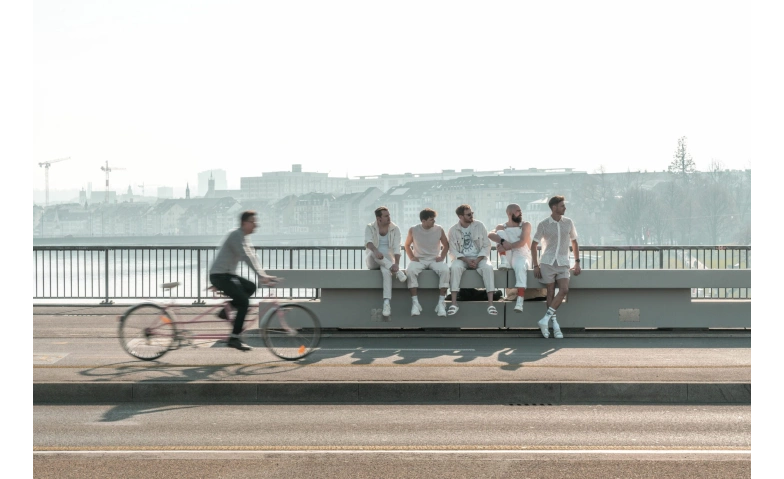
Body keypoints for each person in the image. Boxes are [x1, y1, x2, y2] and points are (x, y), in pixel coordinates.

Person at [209, 210, 278, 350]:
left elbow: (252, 256)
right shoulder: (236, 235)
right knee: (244, 302)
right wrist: (261, 275)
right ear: (244, 223)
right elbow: (245, 256)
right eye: (253, 222)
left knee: (251, 287)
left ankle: (226, 311)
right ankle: (234, 338)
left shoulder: (243, 236)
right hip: (220, 275)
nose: (256, 225)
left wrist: (263, 274)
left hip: (227, 275)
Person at [531, 196, 581, 339]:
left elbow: (575, 242)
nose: (564, 208)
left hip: (564, 262)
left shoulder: (569, 222)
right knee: (550, 292)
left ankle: (545, 320)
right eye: (562, 206)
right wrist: (536, 265)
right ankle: (554, 325)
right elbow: (533, 245)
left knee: (564, 289)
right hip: (547, 262)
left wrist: (577, 262)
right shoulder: (543, 224)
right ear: (554, 208)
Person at [447, 204, 498, 316]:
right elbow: (453, 250)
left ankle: (490, 304)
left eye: (472, 213)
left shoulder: (479, 225)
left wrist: (478, 259)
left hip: (479, 257)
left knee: (488, 268)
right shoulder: (453, 230)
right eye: (468, 214)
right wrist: (466, 260)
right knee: (454, 268)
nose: (471, 216)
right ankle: (454, 303)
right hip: (462, 258)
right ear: (460, 216)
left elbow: (486, 245)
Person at [403, 208, 451, 317]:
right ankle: (415, 303)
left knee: (445, 270)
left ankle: (441, 303)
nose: (434, 221)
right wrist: (411, 257)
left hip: (434, 259)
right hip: (419, 259)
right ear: (423, 221)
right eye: (431, 219)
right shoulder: (413, 229)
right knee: (410, 271)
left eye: (434, 219)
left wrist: (442, 256)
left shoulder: (439, 229)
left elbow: (446, 244)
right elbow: (407, 245)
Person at [488, 203, 532, 314]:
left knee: (520, 267)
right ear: (509, 213)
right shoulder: (502, 227)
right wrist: (503, 242)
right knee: (500, 233)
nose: (520, 212)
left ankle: (520, 301)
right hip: (508, 253)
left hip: (521, 254)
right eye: (518, 211)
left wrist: (510, 245)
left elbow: (522, 241)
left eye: (520, 210)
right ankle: (504, 261)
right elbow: (490, 234)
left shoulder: (525, 225)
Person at [365, 206, 408, 317]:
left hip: (387, 262)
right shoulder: (370, 227)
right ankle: (398, 273)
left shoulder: (395, 229)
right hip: (373, 259)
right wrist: (376, 251)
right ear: (379, 218)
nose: (389, 217)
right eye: (386, 216)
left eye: (389, 215)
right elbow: (368, 242)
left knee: (386, 272)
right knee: (375, 255)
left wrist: (396, 264)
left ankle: (386, 303)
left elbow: (397, 248)